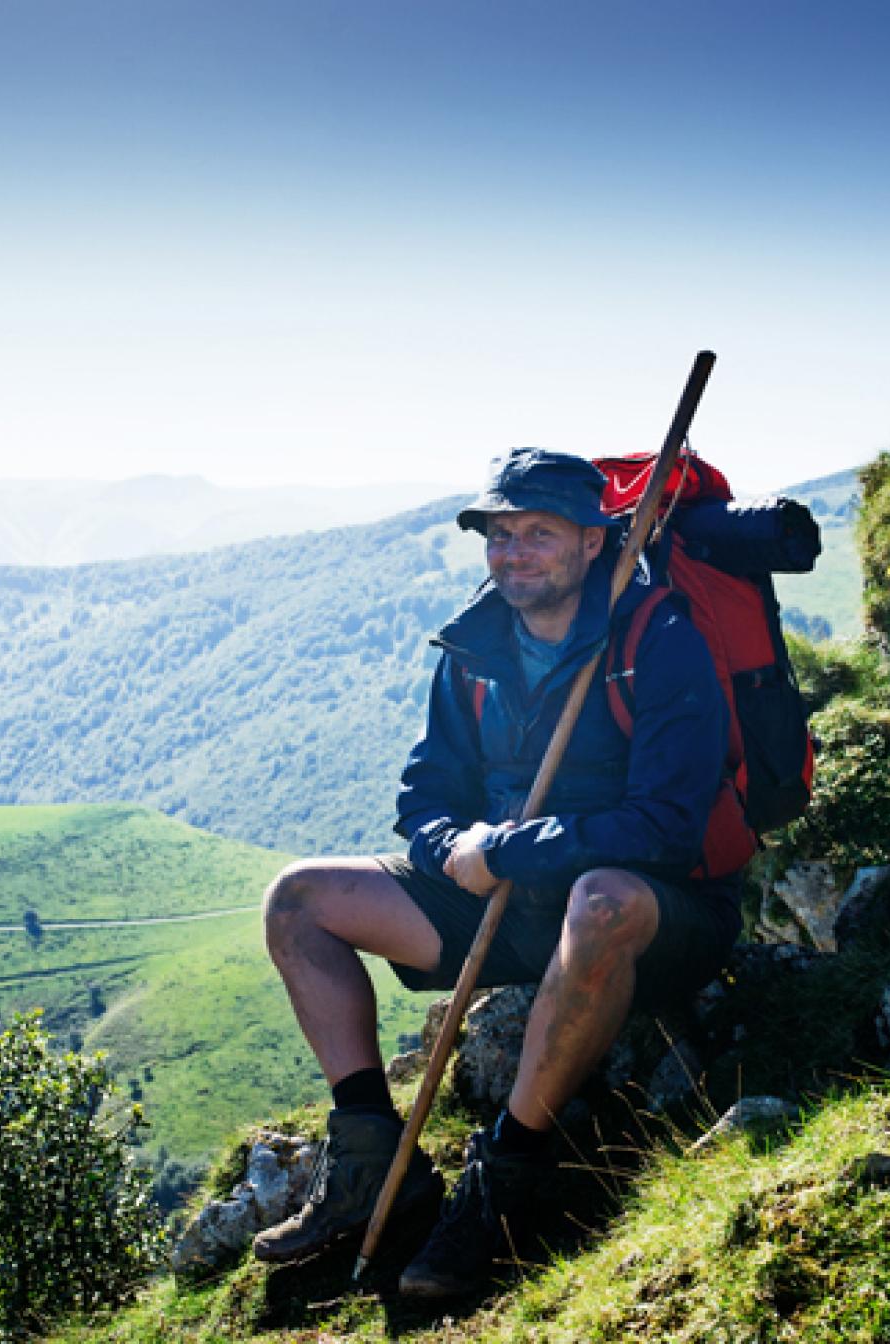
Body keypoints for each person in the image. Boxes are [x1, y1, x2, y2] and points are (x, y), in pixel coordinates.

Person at [252, 447, 742, 1297]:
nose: (514, 552)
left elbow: (666, 827)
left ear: (594, 541)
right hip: (505, 905)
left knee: (602, 898)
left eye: (539, 533)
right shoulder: (475, 644)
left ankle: (509, 1179)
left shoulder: (656, 636)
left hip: (653, 914)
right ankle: (375, 1161)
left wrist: (510, 850)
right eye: (499, 534)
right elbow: (425, 791)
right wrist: (449, 847)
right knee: (298, 899)